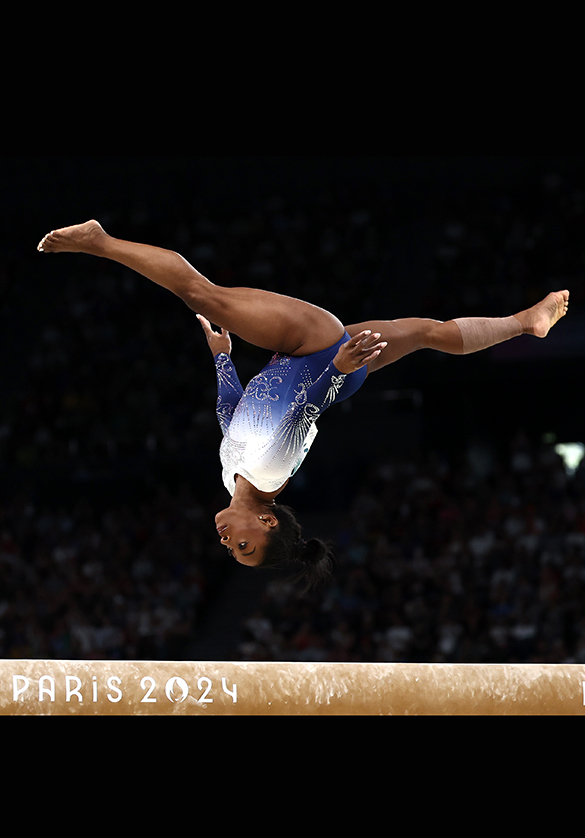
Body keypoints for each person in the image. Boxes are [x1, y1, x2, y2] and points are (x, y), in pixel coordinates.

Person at [37, 219, 570, 589]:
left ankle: (528, 321)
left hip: (317, 363)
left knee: (428, 332)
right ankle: (100, 242)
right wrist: (335, 369)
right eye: (243, 548)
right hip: (317, 352)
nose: (228, 544)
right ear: (267, 525)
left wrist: (223, 360)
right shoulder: (271, 473)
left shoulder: (235, 478)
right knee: (204, 294)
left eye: (232, 553)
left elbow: (233, 418)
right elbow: (304, 412)